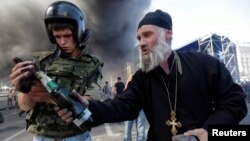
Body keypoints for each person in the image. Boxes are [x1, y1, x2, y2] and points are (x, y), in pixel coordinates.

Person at [10, 9, 247, 141]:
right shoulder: (144, 78)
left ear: (168, 34)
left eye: (147, 35)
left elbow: (236, 104)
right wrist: (86, 106)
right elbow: (121, 107)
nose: (141, 43)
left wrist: (210, 132)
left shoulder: (206, 65)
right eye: (138, 38)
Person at [9, 1, 103, 141]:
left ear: (78, 33)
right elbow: (25, 106)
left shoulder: (92, 64)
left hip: (76, 136)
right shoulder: (40, 62)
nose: (62, 42)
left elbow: (90, 103)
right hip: (43, 137)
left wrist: (50, 97)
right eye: (57, 37)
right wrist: (25, 89)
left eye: (67, 36)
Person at [123, 75, 147, 141]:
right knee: (141, 130)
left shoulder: (131, 79)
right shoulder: (144, 79)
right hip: (140, 107)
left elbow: (125, 92)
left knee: (127, 131)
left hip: (129, 107)